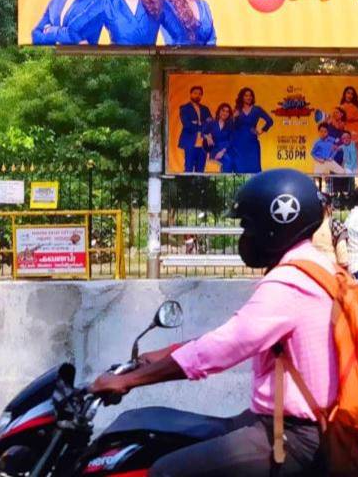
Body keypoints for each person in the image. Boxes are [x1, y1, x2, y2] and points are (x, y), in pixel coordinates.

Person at [90, 169, 334, 476]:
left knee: (166, 471)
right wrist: (166, 353)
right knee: (178, 438)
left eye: (248, 227)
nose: (244, 238)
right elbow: (235, 335)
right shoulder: (316, 268)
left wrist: (129, 380)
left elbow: (223, 349)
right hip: (282, 422)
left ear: (277, 225)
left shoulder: (290, 283)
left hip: (295, 437)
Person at [231, 87, 274, 173]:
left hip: (251, 142)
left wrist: (261, 131)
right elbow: (231, 127)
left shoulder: (257, 109)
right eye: (246, 95)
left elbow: (270, 121)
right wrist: (233, 118)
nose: (248, 97)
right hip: (238, 143)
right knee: (239, 169)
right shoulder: (237, 110)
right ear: (242, 97)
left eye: (250, 95)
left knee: (254, 168)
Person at [178, 85, 212, 173]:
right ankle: (187, 186)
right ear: (190, 94)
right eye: (195, 93)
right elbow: (187, 125)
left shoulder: (205, 109)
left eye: (200, 94)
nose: (197, 95)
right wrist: (202, 125)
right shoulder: (184, 108)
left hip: (203, 144)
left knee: (201, 169)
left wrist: (197, 123)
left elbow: (210, 125)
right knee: (188, 168)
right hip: (190, 142)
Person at [312, 191, 349, 269]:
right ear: (329, 207)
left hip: (308, 269)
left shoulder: (305, 225)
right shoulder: (335, 224)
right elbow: (343, 259)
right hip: (330, 271)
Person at [203, 102, 235, 173]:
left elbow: (231, 140)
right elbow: (203, 133)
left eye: (227, 112)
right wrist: (207, 137)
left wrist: (223, 151)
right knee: (228, 160)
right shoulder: (211, 123)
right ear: (219, 111)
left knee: (234, 160)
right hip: (215, 149)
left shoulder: (230, 125)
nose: (225, 113)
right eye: (223, 110)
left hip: (226, 149)